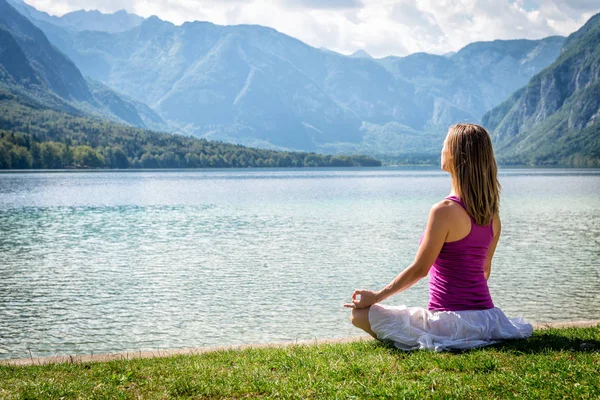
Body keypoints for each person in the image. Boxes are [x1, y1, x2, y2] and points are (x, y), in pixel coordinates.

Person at [344, 123, 533, 351]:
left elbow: (420, 270)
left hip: (449, 321)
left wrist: (376, 297)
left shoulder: (443, 211)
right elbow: (484, 271)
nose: (441, 149)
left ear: (455, 154)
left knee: (359, 315)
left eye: (445, 144)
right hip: (488, 319)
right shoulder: (492, 214)